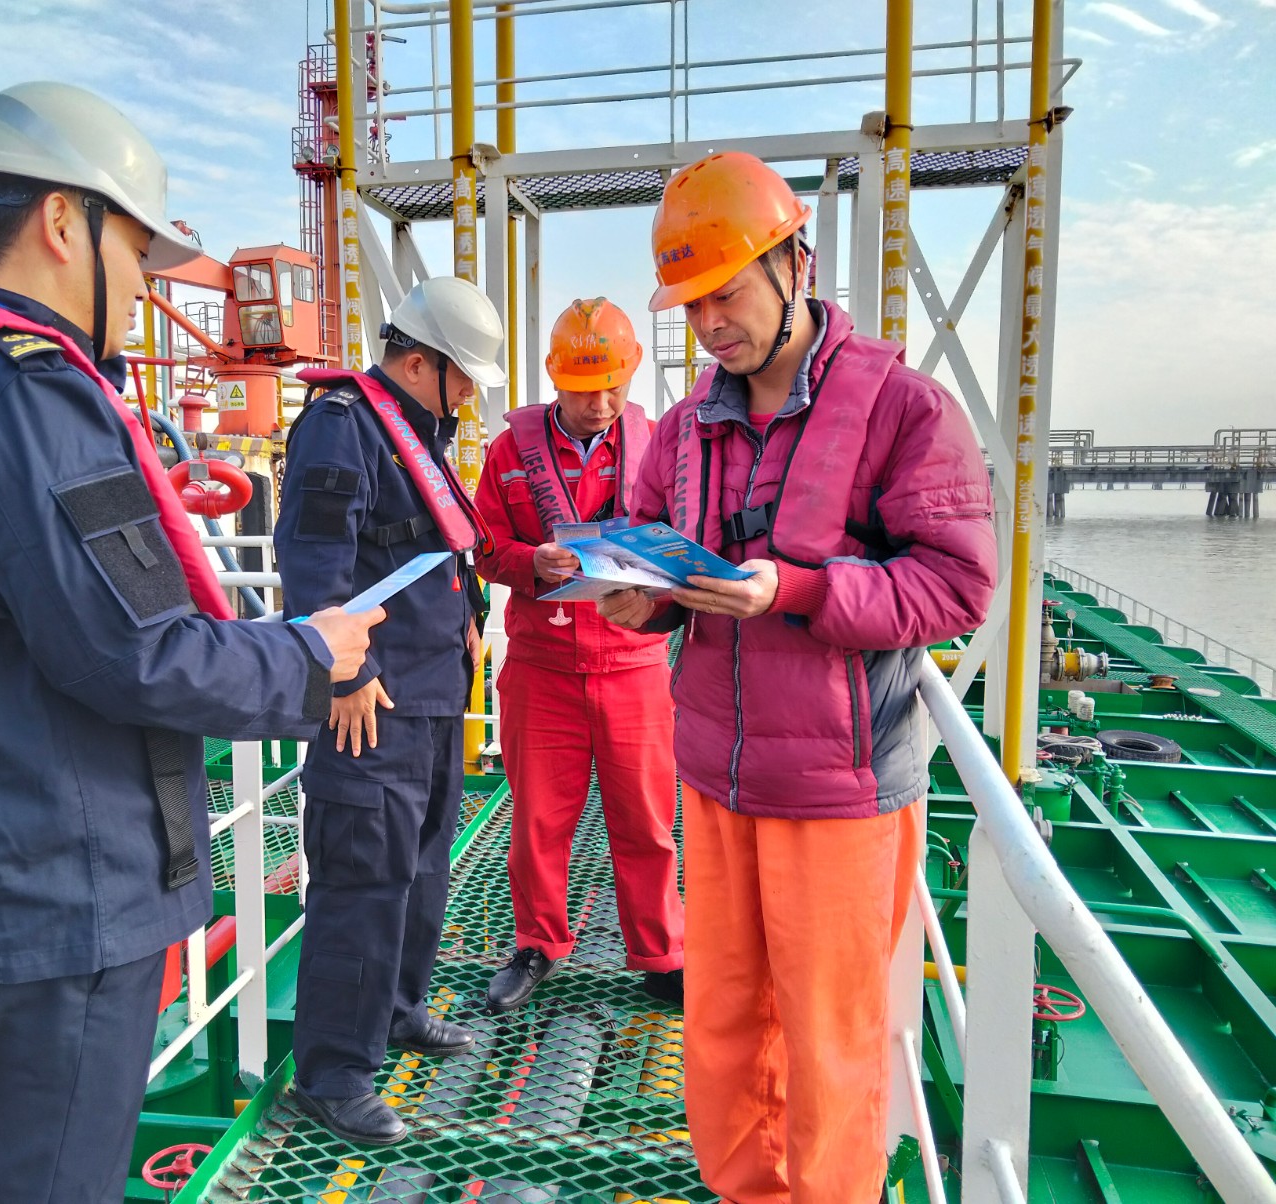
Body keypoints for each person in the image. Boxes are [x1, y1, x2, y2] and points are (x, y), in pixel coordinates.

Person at [0, 82, 381, 1203]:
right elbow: (132, 652)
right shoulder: (29, 398)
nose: (141, 286)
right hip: (57, 893)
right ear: (61, 222)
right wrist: (310, 653)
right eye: (135, 250)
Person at [599, 152, 995, 1203]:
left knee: (831, 1038)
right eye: (691, 304)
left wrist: (800, 590)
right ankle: (744, 1190)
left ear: (794, 265)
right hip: (715, 775)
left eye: (725, 293)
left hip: (838, 789)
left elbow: (957, 586)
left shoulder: (904, 410)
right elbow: (652, 545)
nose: (709, 324)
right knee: (722, 1018)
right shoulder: (683, 429)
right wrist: (642, 598)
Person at [275, 276, 505, 1147]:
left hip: (432, 692)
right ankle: (333, 1072)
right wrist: (346, 676)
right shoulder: (344, 426)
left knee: (422, 868)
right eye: (464, 376)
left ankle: (397, 1009)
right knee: (365, 882)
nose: (470, 394)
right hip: (373, 703)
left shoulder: (413, 431)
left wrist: (470, 619)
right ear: (419, 363)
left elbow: (437, 546)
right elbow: (314, 557)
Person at [472, 297, 683, 1013]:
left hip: (634, 662)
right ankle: (537, 944)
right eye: (584, 389)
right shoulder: (508, 453)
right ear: (554, 379)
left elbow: (685, 538)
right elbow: (483, 546)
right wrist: (531, 561)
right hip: (542, 666)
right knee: (537, 820)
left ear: (631, 374)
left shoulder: (658, 444)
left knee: (648, 821)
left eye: (613, 387)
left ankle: (661, 955)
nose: (600, 404)